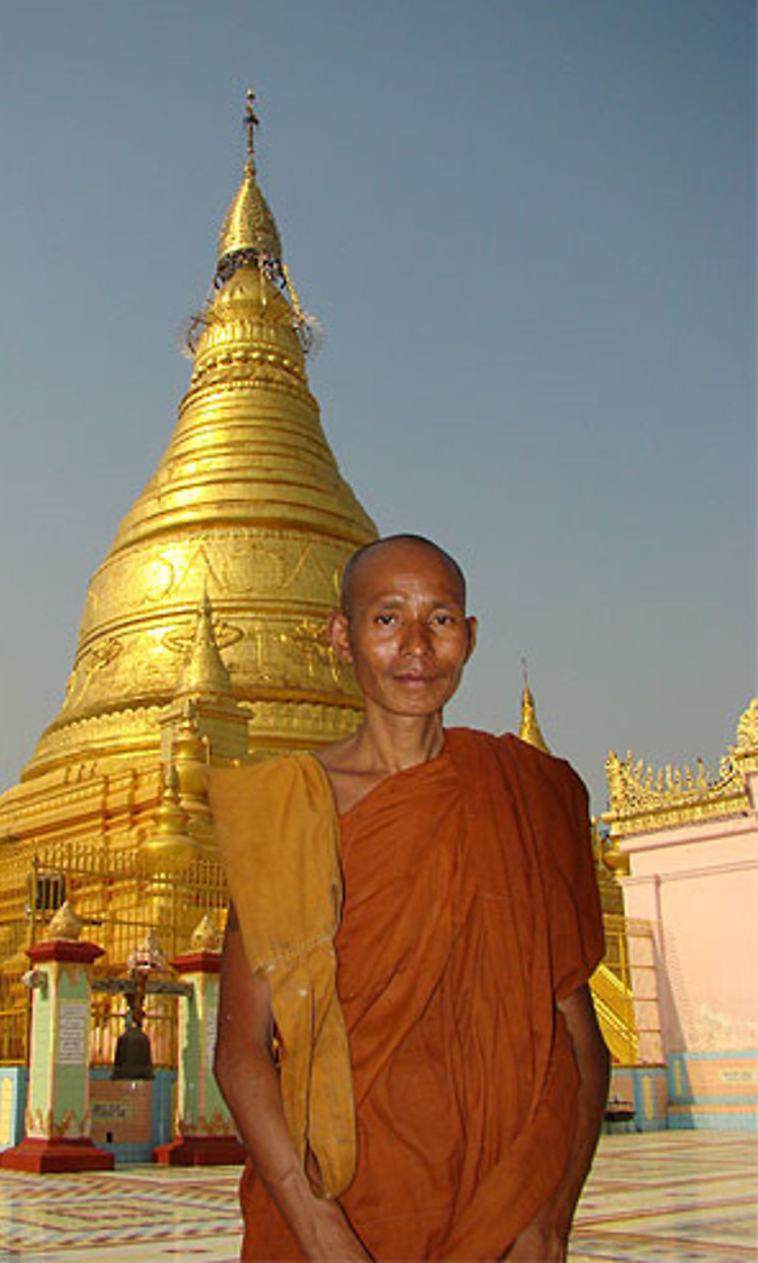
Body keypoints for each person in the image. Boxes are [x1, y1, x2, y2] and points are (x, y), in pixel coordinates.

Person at [210, 534, 610, 1262]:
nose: (417, 646)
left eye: (442, 619)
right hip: (334, 1202)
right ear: (341, 635)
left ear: (471, 636)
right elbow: (241, 1052)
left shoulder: (519, 795)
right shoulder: (286, 810)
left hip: (500, 1208)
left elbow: (581, 1041)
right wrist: (324, 1233)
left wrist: (550, 1218)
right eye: (387, 619)